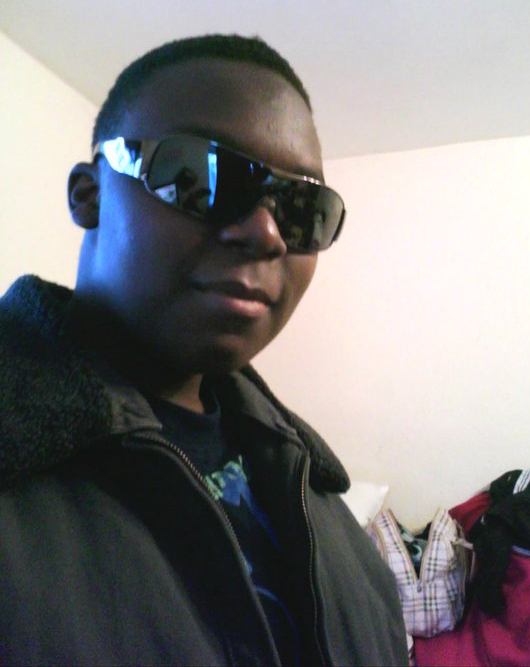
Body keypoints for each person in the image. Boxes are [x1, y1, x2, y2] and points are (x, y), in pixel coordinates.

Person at [0, 34, 408, 666]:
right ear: (90, 195)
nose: (267, 234)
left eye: (303, 209)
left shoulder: (314, 491)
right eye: (200, 176)